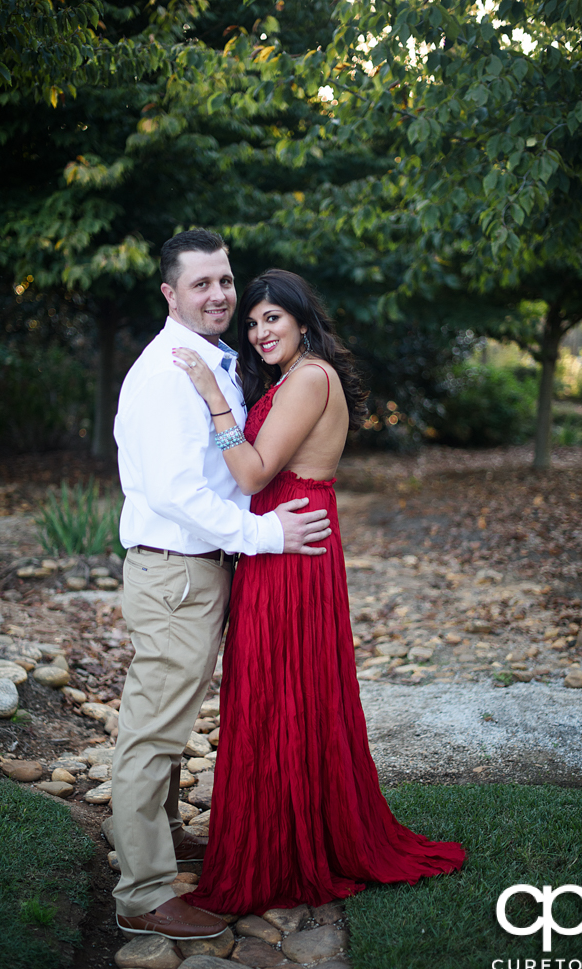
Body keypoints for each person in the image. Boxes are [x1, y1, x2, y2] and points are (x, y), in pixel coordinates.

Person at [172, 269, 465, 916]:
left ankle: (282, 851)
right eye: (251, 323)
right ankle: (287, 836)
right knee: (283, 695)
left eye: (271, 318)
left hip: (291, 552)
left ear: (303, 320)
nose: (258, 331)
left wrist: (211, 398)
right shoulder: (293, 379)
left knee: (279, 693)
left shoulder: (308, 378)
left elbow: (250, 474)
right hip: (284, 541)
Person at [111, 233, 332, 941]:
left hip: (198, 568)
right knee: (153, 730)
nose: (219, 295)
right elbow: (179, 491)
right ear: (170, 295)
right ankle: (143, 893)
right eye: (200, 283)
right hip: (175, 566)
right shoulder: (168, 372)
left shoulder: (212, 362)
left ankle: (162, 843)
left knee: (171, 721)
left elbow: (224, 464)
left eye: (224, 281)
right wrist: (266, 536)